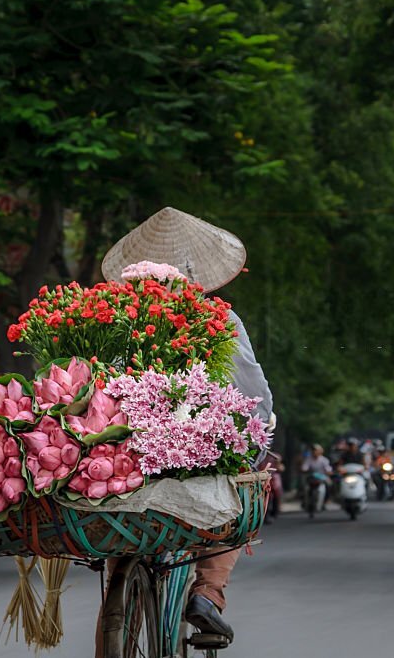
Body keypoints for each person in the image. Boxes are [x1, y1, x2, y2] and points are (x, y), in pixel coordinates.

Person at [100, 207, 273, 643]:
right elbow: (251, 390)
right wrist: (256, 428)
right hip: (199, 445)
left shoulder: (111, 319)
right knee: (237, 490)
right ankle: (208, 595)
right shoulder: (217, 318)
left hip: (118, 446)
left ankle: (119, 585)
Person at [301, 444, 333, 511]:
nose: (314, 452)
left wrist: (328, 472)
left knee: (329, 485)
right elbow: (305, 467)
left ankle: (325, 501)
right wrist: (304, 469)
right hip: (311, 477)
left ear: (320, 451)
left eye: (316, 450)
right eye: (313, 450)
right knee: (304, 487)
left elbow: (328, 469)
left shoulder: (324, 460)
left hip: (322, 477)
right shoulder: (308, 459)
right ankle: (304, 501)